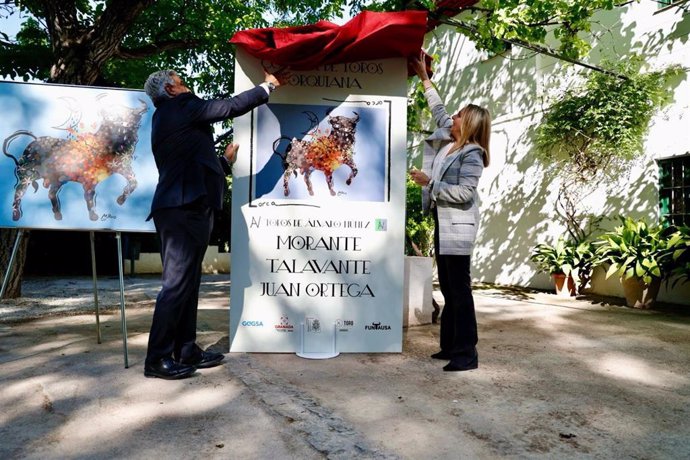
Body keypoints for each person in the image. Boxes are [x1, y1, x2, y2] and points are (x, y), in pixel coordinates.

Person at [142, 69, 284, 379]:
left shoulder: (169, 116)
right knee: (177, 284)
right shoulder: (180, 106)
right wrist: (267, 86)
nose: (186, 84)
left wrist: (223, 163)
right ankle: (157, 359)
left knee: (188, 283)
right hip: (182, 209)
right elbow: (229, 107)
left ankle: (187, 349)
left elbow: (187, 164)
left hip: (185, 206)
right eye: (180, 80)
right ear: (170, 88)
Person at [408, 52, 491, 372]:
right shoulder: (450, 142)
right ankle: (449, 346)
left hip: (459, 226)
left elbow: (465, 193)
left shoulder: (473, 153)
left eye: (458, 115)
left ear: (467, 124)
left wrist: (431, 184)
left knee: (459, 288)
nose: (451, 118)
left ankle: (467, 353)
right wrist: (424, 79)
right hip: (444, 222)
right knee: (447, 284)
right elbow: (438, 110)